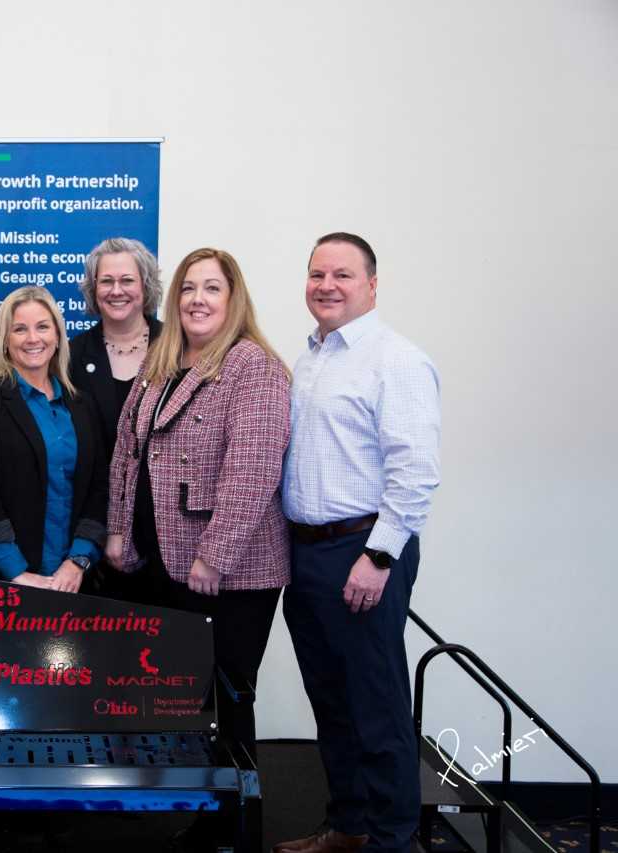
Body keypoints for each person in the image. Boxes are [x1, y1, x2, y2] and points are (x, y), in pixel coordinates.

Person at [276, 233, 440, 853]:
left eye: (342, 275)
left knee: (376, 705)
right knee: (332, 704)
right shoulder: (312, 357)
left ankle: (393, 839)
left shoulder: (395, 360)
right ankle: (349, 828)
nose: (327, 286)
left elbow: (415, 471)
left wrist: (378, 557)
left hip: (363, 551)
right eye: (317, 274)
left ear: (372, 285)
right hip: (307, 554)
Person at [106, 247, 290, 758]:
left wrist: (215, 556)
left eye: (211, 288)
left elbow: (252, 472)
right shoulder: (161, 360)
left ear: (234, 298)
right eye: (188, 288)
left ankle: (234, 804)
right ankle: (192, 801)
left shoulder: (253, 366)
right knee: (178, 701)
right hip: (162, 563)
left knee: (225, 701)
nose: (197, 299)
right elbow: (126, 450)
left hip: (229, 575)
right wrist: (119, 528)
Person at [0, 286, 108, 589]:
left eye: (42, 327)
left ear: (58, 336)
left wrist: (77, 561)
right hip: (4, 580)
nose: (33, 338)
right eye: (20, 329)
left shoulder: (82, 404)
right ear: (5, 340)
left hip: (75, 579)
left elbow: (99, 487)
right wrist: (16, 572)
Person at [68, 236, 164, 453]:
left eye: (127, 280)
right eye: (106, 281)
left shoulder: (176, 346)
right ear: (93, 288)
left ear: (145, 285)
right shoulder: (72, 356)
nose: (116, 291)